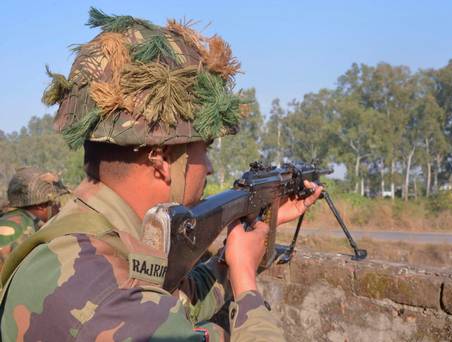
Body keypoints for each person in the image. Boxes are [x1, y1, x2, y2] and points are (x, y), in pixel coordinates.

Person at [0, 8, 322, 341]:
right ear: (162, 158)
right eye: (204, 150)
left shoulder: (82, 240)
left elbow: (173, 301)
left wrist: (232, 259)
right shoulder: (106, 298)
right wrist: (246, 286)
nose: (209, 167)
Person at [0, 167, 68, 270]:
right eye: (56, 202)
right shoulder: (23, 229)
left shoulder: (16, 219)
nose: (59, 207)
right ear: (40, 205)